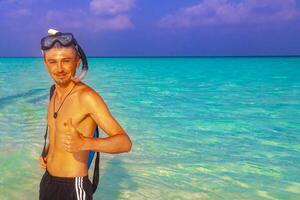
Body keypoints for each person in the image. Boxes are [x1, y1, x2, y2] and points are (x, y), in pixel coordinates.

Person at [38, 29, 132, 200]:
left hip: (74, 188)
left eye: (66, 61)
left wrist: (85, 143)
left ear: (77, 62)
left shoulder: (87, 97)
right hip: (47, 182)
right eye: (52, 62)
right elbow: (55, 132)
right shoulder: (53, 92)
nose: (59, 68)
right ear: (46, 64)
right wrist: (46, 152)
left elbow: (125, 143)